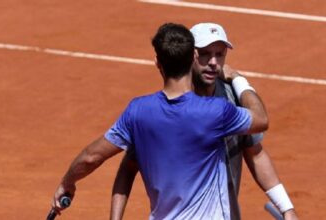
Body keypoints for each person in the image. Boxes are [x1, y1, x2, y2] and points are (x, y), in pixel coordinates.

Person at [50, 22, 269, 219]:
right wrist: (239, 80)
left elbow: (91, 157)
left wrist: (67, 182)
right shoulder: (215, 111)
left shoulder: (137, 112)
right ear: (193, 58)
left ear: (157, 63)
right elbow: (260, 119)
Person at [110, 23, 298, 220]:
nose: (214, 62)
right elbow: (129, 167)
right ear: (190, 56)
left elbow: (255, 154)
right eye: (205, 54)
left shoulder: (232, 97)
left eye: (220, 54)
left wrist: (287, 208)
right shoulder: (169, 105)